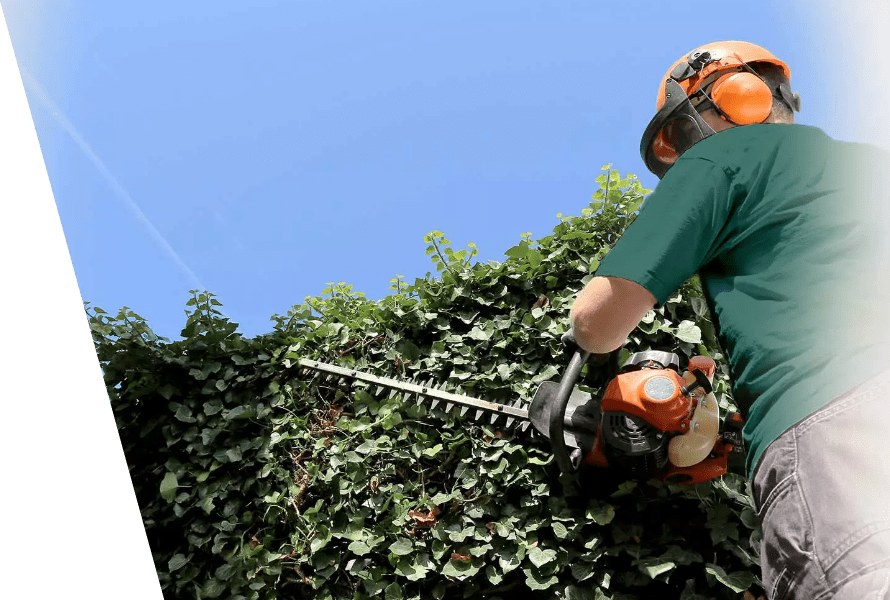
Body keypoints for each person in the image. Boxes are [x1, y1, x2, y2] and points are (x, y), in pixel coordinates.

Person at [567, 41, 890, 600]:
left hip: (838, 430)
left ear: (730, 97)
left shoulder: (729, 156)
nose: (690, 149)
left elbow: (598, 323)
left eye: (688, 129)